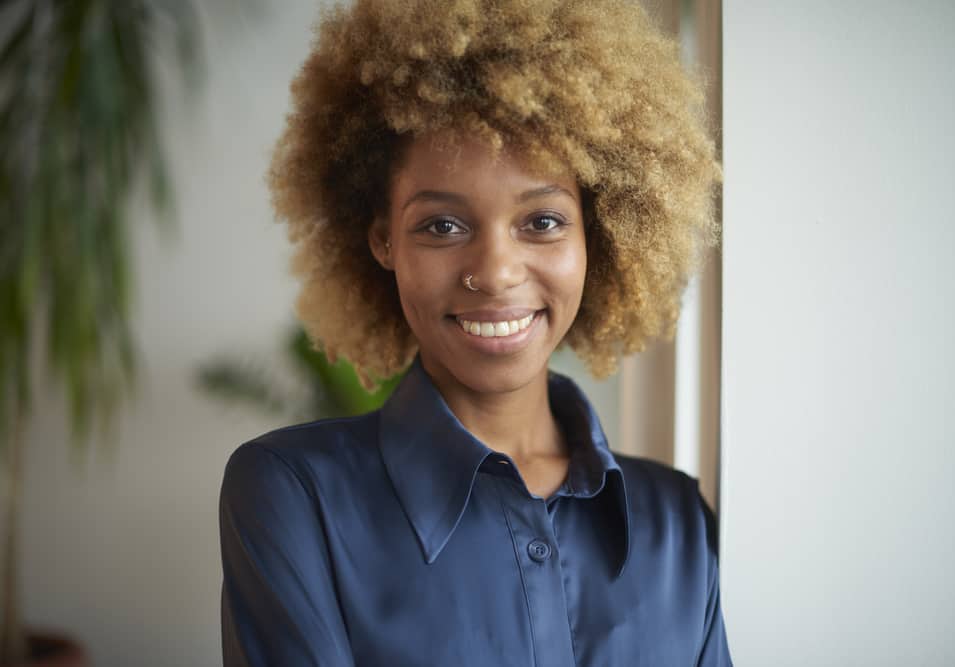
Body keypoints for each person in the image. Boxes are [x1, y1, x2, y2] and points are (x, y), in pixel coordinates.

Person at [219, 0, 730, 664]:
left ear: (596, 234)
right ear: (383, 240)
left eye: (541, 221)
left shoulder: (676, 524)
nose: (493, 272)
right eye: (442, 225)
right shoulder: (294, 495)